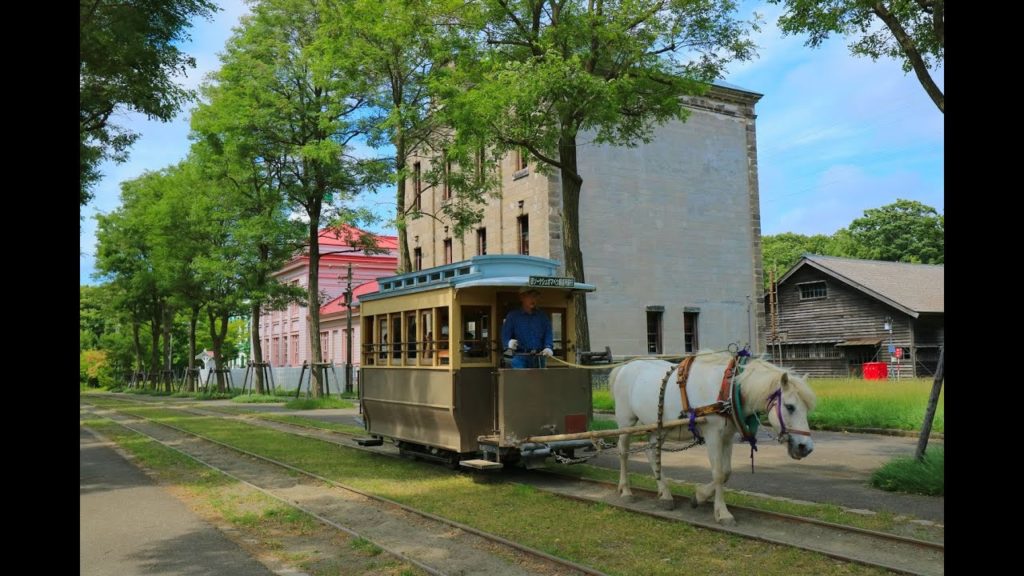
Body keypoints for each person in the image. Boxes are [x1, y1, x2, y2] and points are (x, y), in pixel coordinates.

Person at [501, 286, 553, 368]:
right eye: (530, 296)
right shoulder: (512, 316)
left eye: (535, 296)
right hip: (519, 356)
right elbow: (505, 336)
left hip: (539, 356)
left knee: (540, 380)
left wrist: (548, 347)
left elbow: (548, 333)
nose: (533, 299)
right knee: (520, 380)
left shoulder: (543, 316)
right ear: (522, 297)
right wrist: (508, 343)